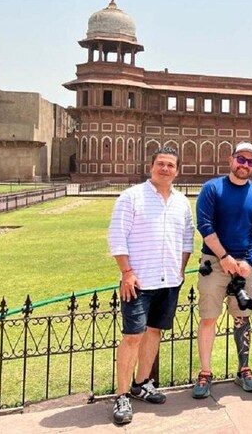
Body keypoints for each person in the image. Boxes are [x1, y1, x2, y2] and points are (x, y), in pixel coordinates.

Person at [107, 147, 195, 425]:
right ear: (151, 167)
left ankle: (141, 383)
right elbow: (117, 236)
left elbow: (187, 239)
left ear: (177, 171)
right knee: (133, 335)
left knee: (154, 332)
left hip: (168, 280)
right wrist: (126, 271)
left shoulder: (182, 201)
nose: (165, 169)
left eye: (170, 165)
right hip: (139, 280)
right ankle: (122, 395)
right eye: (161, 164)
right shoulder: (131, 197)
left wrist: (180, 270)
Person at [192, 142, 252, 398]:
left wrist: (248, 261)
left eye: (250, 162)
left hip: (244, 266)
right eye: (241, 159)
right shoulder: (213, 188)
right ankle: (205, 372)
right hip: (214, 262)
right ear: (230, 159)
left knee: (242, 318)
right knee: (209, 318)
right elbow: (203, 223)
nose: (245, 165)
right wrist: (223, 256)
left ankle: (243, 368)